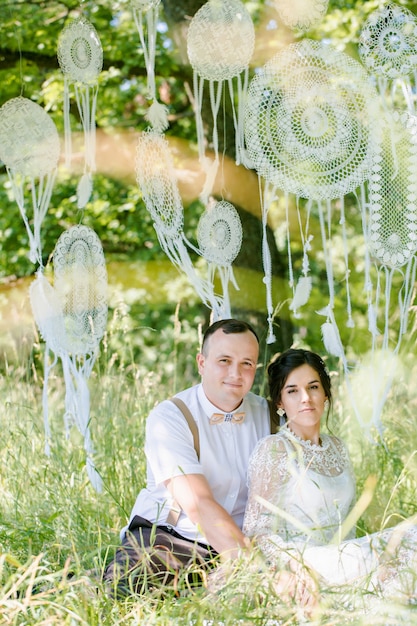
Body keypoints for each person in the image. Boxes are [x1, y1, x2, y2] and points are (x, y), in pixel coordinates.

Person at [103, 318, 273, 597]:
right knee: (129, 592)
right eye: (224, 360)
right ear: (201, 363)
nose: (236, 373)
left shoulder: (269, 416)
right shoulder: (170, 416)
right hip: (173, 536)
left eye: (247, 363)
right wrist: (256, 571)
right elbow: (198, 504)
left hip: (244, 540)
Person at [243, 348, 417, 602]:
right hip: (309, 562)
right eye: (292, 391)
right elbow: (257, 532)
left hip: (347, 556)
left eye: (313, 387)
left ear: (325, 394)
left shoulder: (338, 447)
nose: (305, 398)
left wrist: (365, 560)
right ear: (280, 402)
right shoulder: (274, 449)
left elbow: (349, 522)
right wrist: (294, 566)